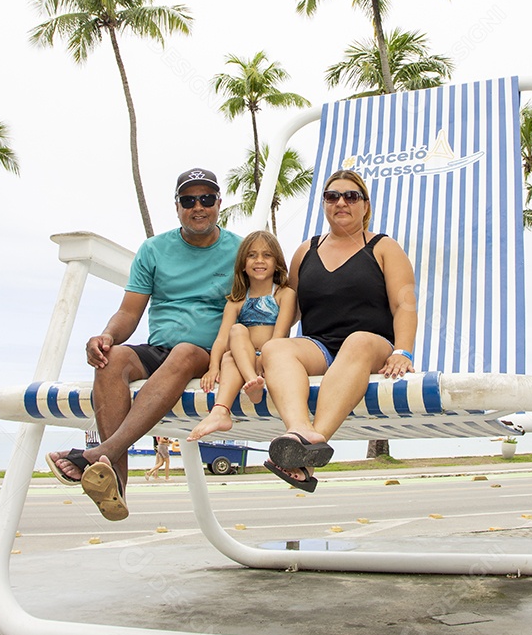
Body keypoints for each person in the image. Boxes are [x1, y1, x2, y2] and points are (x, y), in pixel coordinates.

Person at [45, 168, 242, 520]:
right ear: (177, 206)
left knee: (184, 351)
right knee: (112, 359)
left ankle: (96, 454)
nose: (198, 207)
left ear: (218, 204)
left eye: (206, 199)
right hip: (160, 350)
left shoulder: (240, 250)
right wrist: (106, 337)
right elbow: (128, 312)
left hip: (211, 355)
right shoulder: (154, 249)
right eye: (188, 200)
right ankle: (115, 482)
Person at [261, 169, 417, 493]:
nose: (341, 202)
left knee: (356, 341)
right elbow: (289, 310)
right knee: (277, 349)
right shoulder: (306, 251)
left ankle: (313, 441)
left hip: (371, 346)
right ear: (324, 204)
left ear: (365, 205)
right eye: (332, 196)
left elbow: (404, 304)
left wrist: (403, 350)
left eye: (351, 196)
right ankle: (302, 433)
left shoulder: (383, 247)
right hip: (319, 347)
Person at [188, 230, 296, 441]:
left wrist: (264, 361)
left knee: (234, 354)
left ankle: (235, 396)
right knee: (235, 335)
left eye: (267, 255)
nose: (259, 260)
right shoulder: (236, 301)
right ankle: (223, 409)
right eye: (252, 255)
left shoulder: (284, 294)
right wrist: (213, 367)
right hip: (246, 361)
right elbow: (221, 339)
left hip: (270, 359)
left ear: (277, 262)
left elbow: (279, 337)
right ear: (243, 264)